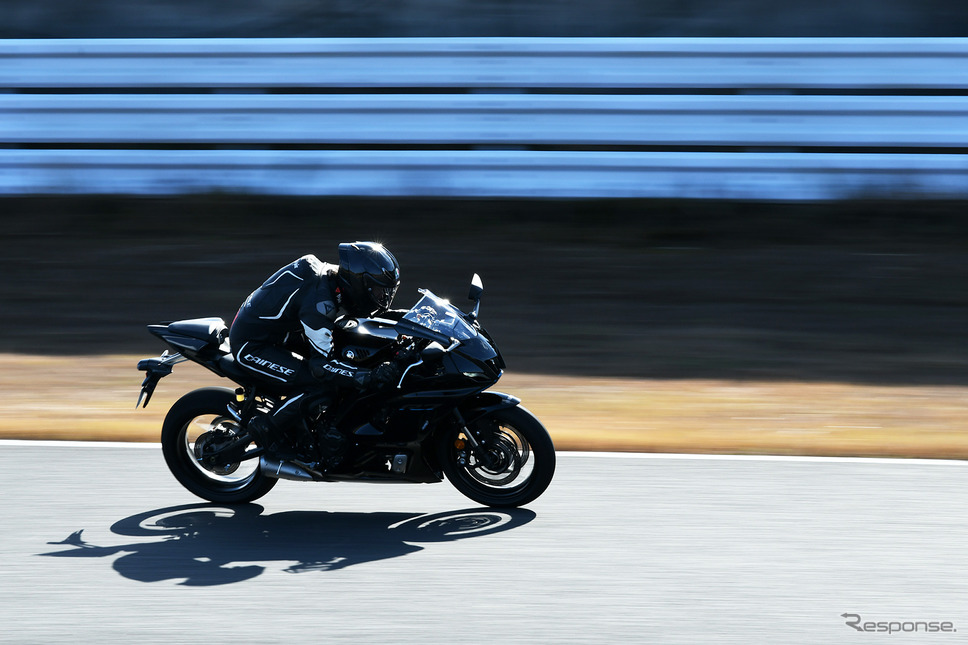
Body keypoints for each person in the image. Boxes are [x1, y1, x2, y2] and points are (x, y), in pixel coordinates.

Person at [229, 241, 402, 467]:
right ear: (360, 283)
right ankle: (266, 428)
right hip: (252, 344)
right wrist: (368, 376)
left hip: (281, 334)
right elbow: (322, 366)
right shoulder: (320, 304)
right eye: (379, 291)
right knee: (318, 384)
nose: (383, 298)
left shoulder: (332, 280)